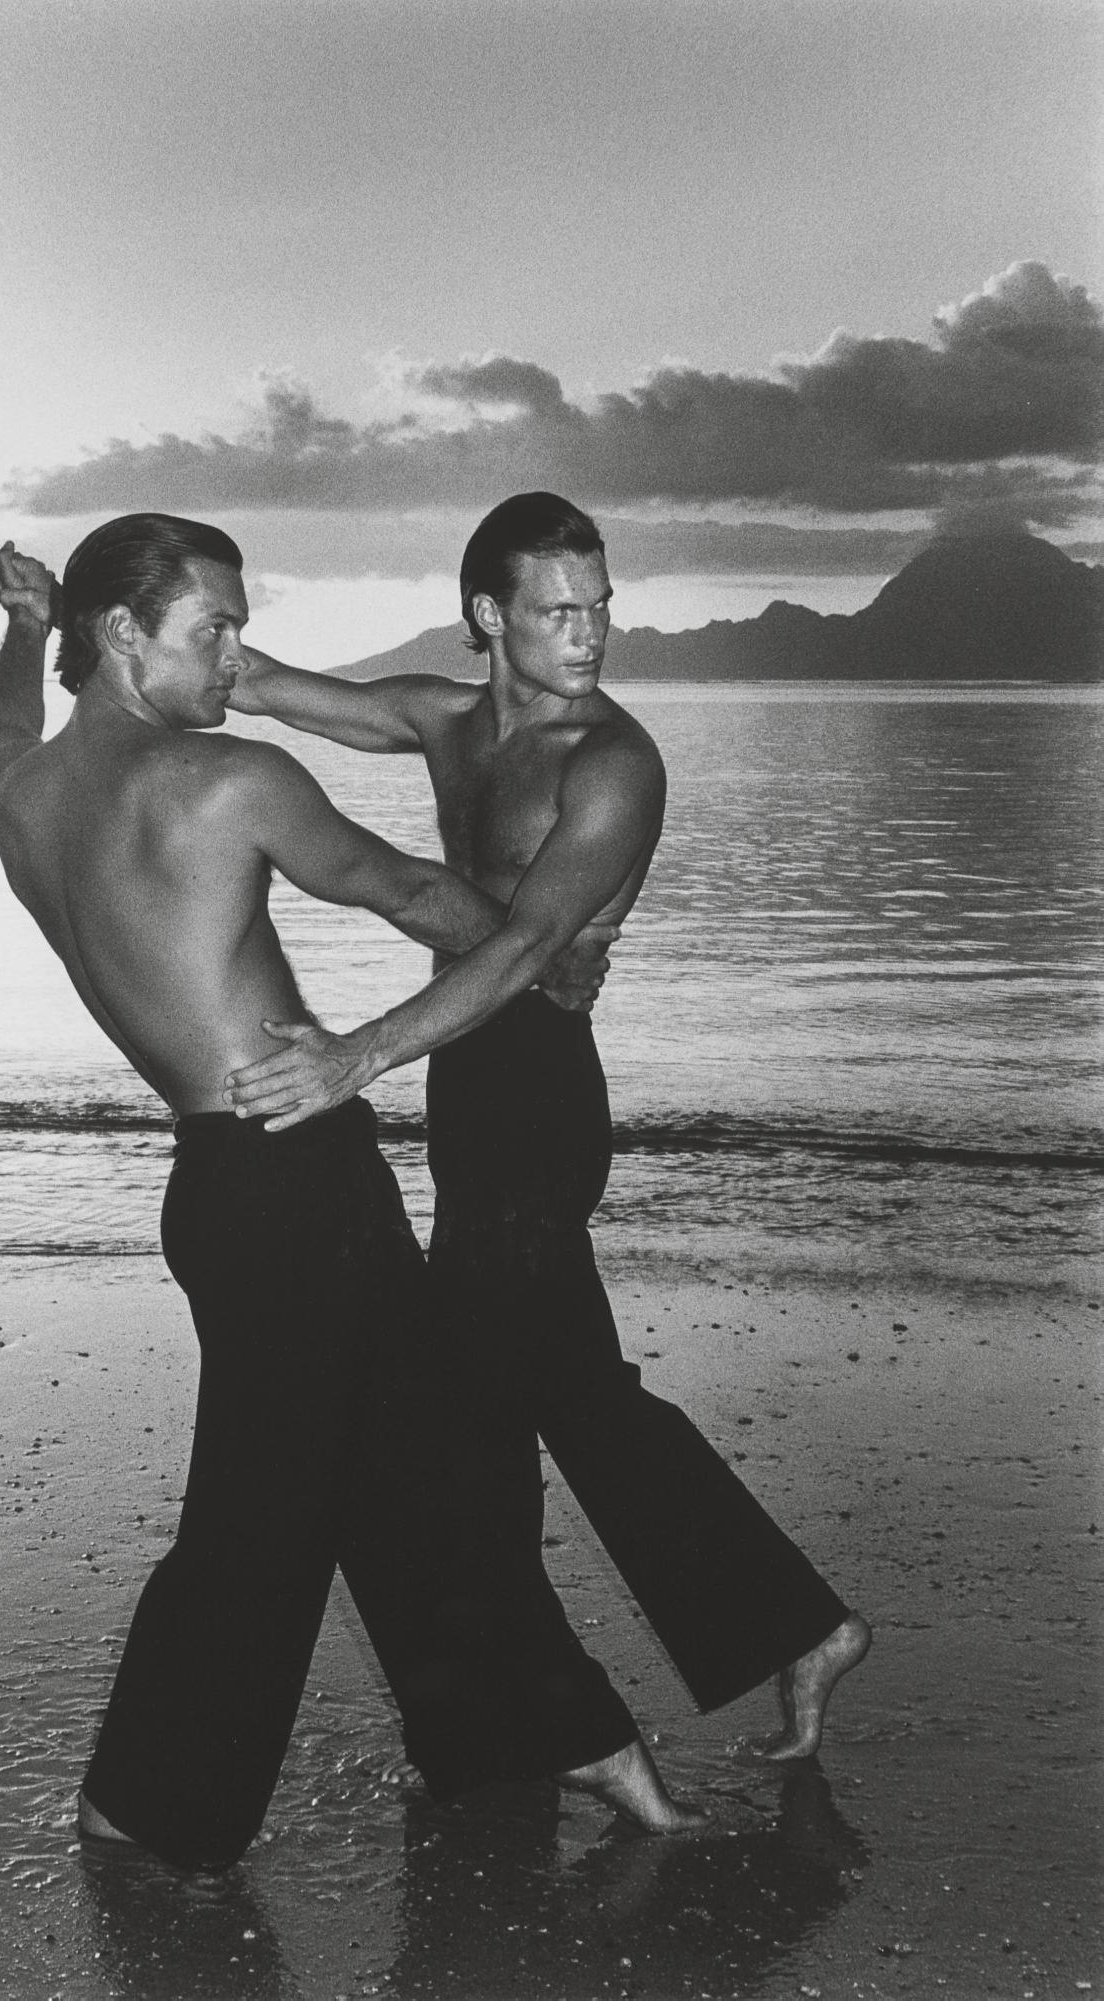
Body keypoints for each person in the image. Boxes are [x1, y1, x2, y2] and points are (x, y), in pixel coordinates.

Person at [0, 513, 704, 1874]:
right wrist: (539, 961)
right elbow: (407, 886)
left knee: (408, 1469)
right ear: (124, 636)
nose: (236, 656)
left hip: (214, 1190)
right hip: (303, 1185)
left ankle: (531, 1735)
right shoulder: (226, 782)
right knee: (270, 1514)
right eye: (215, 630)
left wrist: (21, 636)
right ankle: (152, 1798)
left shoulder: (21, 791)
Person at [216, 492, 872, 1755]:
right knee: (526, 1389)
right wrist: (63, 628)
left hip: (539, 1093)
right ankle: (732, 1641)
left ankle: (556, 1690)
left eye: (602, 606)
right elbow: (264, 684)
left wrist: (359, 1055)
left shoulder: (612, 760)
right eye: (560, 611)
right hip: (470, 1079)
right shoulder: (448, 720)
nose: (591, 634)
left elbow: (525, 948)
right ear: (489, 617)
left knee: (516, 1390)